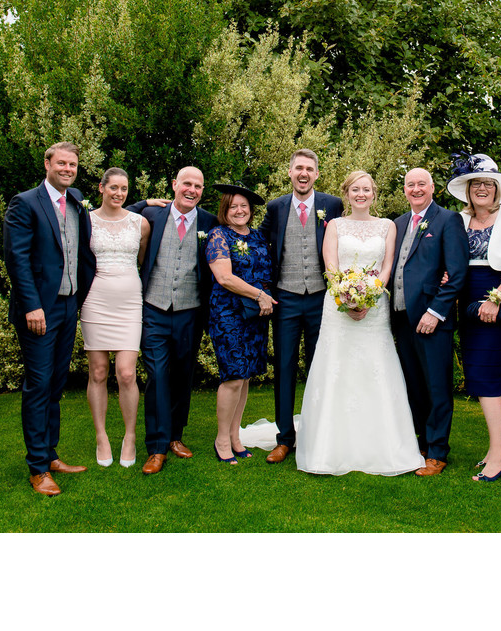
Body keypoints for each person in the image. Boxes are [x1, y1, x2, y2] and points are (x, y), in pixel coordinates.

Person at [296, 171, 425, 475]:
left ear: (374, 193)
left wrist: (369, 297)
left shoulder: (387, 226)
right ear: (346, 193)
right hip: (338, 306)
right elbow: (330, 266)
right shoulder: (335, 225)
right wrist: (346, 297)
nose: (361, 194)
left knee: (374, 368)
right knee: (336, 369)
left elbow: (387, 266)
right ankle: (328, 447)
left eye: (366, 189)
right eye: (355, 189)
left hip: (375, 309)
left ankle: (382, 446)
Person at [3, 141, 96, 496]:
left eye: (72, 165)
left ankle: (52, 455)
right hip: (38, 310)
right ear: (47, 163)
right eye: (61, 163)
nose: (67, 169)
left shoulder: (77, 201)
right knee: (38, 384)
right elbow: (17, 259)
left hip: (68, 305)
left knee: (56, 383)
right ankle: (38, 468)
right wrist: (31, 305)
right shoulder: (24, 203)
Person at [126, 167, 218, 474]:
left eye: (198, 186)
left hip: (190, 311)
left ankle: (176, 436)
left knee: (183, 375)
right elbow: (122, 214)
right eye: (187, 184)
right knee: (158, 376)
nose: (192, 190)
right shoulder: (153, 216)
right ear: (174, 185)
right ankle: (156, 446)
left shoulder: (208, 222)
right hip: (153, 308)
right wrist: (145, 202)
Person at [447, 154, 501, 482]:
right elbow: (453, 259)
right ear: (468, 190)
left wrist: (496, 299)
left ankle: (500, 454)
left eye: (488, 184)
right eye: (476, 184)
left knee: (490, 374)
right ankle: (496, 449)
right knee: (477, 375)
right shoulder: (459, 220)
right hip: (467, 298)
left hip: (499, 296)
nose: (482, 189)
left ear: (496, 190)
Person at [259, 149, 344, 464]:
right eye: (298, 168)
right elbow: (260, 246)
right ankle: (284, 438)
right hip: (286, 298)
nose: (304, 173)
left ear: (317, 174)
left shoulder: (332, 205)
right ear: (290, 171)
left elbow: (344, 242)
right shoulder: (276, 207)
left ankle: (317, 434)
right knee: (284, 367)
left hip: (323, 298)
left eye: (309, 168)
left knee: (319, 367)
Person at [390, 168, 469, 476]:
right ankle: (420, 444)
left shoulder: (448, 220)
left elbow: (457, 273)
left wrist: (435, 311)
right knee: (413, 387)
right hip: (401, 318)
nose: (416, 189)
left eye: (421, 183)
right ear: (405, 190)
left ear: (432, 187)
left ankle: (437, 451)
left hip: (431, 319)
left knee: (437, 387)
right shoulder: (397, 223)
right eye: (410, 184)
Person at [80, 168, 151, 468]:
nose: (119, 193)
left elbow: (143, 260)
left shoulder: (140, 223)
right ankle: (101, 436)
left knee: (126, 373)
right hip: (95, 301)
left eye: (124, 188)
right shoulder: (86, 222)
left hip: (129, 303)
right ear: (101, 188)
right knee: (97, 372)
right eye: (113, 188)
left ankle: (130, 435)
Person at [205, 184, 275, 464]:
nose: (239, 210)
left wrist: (263, 298)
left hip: (255, 314)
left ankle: (235, 436)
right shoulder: (218, 235)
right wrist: (260, 295)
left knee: (245, 376)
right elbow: (224, 277)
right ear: (225, 209)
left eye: (244, 206)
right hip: (229, 313)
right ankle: (221, 439)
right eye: (233, 206)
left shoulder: (257, 236)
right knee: (233, 375)